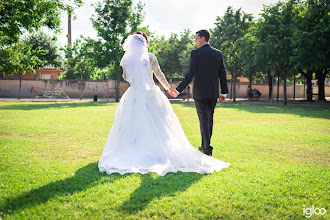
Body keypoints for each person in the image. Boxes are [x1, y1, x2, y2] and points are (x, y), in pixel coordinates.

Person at [98, 31, 229, 176]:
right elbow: (159, 74)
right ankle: (199, 147)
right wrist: (169, 89)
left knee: (131, 122)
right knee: (159, 123)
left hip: (133, 93)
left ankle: (134, 148)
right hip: (151, 93)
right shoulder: (150, 57)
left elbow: (126, 76)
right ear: (145, 43)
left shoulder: (128, 60)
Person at [169, 29, 228, 156]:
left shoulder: (195, 53)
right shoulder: (218, 54)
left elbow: (190, 74)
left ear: (202, 38)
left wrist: (178, 90)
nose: (195, 40)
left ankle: (207, 148)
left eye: (196, 38)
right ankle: (204, 144)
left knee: (203, 120)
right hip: (213, 93)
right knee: (209, 119)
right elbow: (223, 75)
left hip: (200, 93)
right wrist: (224, 92)